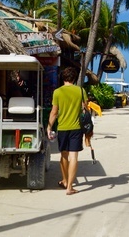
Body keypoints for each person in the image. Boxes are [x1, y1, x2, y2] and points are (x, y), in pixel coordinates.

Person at [48, 67, 87, 195]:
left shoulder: (57, 92)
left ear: (63, 78)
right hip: (76, 128)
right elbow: (85, 109)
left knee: (64, 155)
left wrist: (49, 127)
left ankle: (65, 180)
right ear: (74, 79)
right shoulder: (81, 91)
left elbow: (54, 112)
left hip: (63, 128)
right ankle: (69, 186)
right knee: (74, 156)